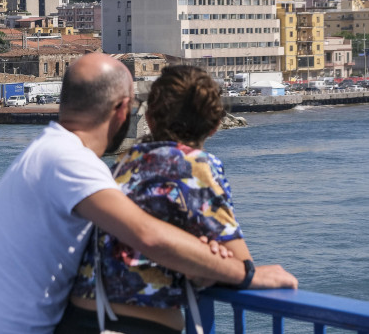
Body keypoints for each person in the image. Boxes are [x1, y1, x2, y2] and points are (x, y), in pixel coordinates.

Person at [0, 54, 296, 334]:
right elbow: (147, 235)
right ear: (122, 110)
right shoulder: (70, 161)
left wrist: (198, 257)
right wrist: (244, 274)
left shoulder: (64, 155)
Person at [58, 64, 292, 333]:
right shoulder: (196, 166)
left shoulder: (125, 164)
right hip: (135, 326)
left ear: (152, 119)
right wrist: (205, 256)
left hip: (78, 318)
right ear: (215, 126)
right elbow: (240, 264)